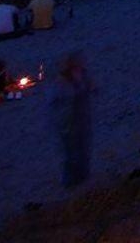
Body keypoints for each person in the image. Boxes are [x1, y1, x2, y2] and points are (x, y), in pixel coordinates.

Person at [49, 52, 93, 188]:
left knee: (80, 149)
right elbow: (57, 102)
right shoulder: (61, 83)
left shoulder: (79, 78)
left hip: (78, 120)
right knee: (70, 152)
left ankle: (80, 176)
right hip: (68, 122)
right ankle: (69, 179)